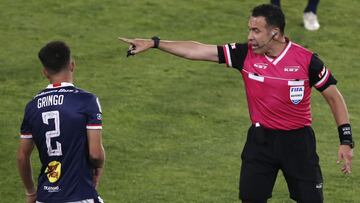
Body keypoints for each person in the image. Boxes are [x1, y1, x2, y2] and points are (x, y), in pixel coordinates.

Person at [118, 4, 353, 203]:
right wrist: (155, 43)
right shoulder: (245, 54)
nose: (250, 36)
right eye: (249, 29)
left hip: (298, 143)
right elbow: (198, 50)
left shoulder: (306, 61)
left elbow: (334, 96)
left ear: (275, 33)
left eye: (256, 31)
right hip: (260, 142)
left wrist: (345, 140)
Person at [17, 41, 105, 203]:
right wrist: (98, 167)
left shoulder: (32, 107)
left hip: (45, 197)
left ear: (45, 72)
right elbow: (95, 154)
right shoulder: (86, 101)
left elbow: (23, 156)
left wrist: (31, 192)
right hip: (80, 195)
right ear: (72, 65)